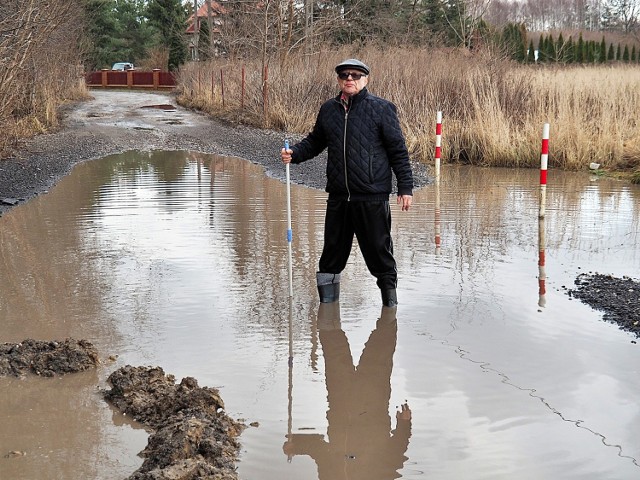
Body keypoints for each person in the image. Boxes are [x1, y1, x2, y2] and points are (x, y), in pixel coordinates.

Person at [281, 58, 413, 307]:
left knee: (379, 254)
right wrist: (295, 154)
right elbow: (315, 141)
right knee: (331, 256)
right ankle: (328, 314)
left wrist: (405, 187)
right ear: (339, 80)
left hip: (371, 197)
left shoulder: (382, 109)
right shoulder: (328, 110)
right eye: (344, 75)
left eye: (355, 75)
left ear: (366, 79)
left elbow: (398, 151)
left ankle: (390, 309)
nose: (349, 79)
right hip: (339, 197)